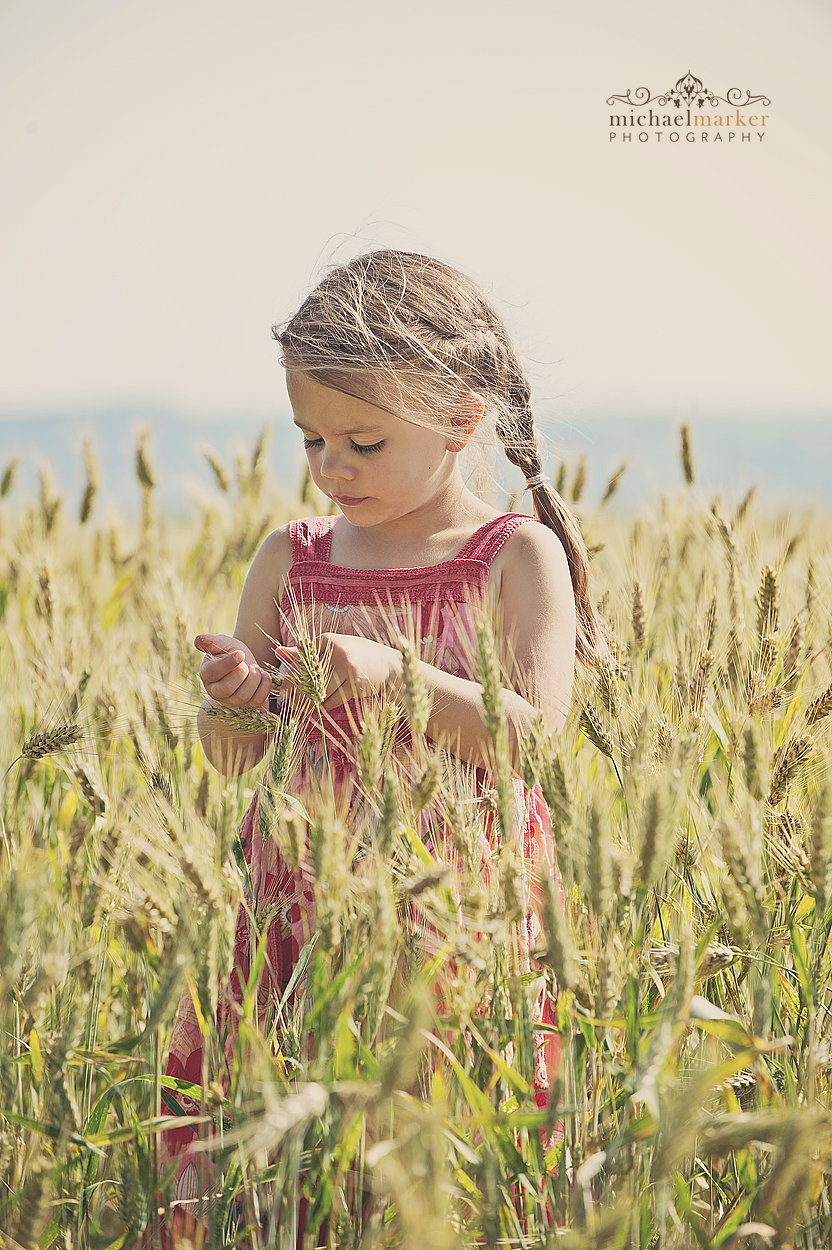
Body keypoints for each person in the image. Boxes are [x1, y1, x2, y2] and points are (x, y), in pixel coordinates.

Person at [158, 250, 600, 1234]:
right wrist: (233, 699)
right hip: (297, 906)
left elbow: (534, 737)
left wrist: (400, 677)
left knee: (429, 1152)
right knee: (288, 1150)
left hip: (455, 919)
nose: (331, 467)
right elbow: (233, 756)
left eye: (362, 438)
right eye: (312, 438)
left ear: (460, 416)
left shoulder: (513, 556)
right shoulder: (291, 555)